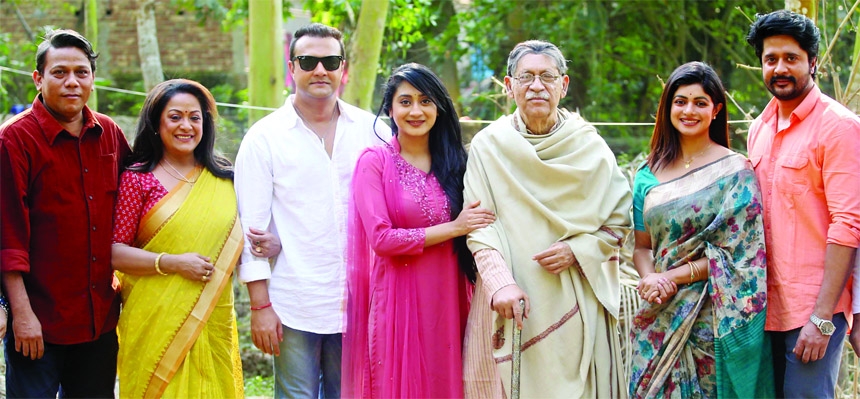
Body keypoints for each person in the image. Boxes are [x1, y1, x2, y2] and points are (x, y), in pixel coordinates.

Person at [461, 40, 632, 398]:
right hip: (511, 299)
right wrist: (499, 284)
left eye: (546, 77)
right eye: (526, 77)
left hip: (576, 299)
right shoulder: (488, 146)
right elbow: (480, 224)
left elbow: (618, 220)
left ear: (563, 85)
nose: (537, 86)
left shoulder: (590, 147)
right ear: (509, 87)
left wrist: (578, 249)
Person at [234, 23, 390, 398]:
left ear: (344, 69)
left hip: (361, 300)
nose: (320, 70)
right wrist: (260, 306)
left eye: (330, 61)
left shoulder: (374, 131)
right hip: (294, 302)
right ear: (292, 68)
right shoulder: (264, 138)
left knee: (351, 394)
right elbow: (250, 231)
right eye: (308, 61)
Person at [110, 79, 277, 397]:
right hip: (154, 321)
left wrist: (268, 245)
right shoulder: (138, 179)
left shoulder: (227, 178)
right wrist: (172, 263)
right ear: (157, 123)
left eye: (194, 117)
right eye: (175, 117)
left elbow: (238, 244)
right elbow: (115, 252)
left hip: (212, 315)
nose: (185, 125)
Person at [342, 63, 495, 398]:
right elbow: (381, 239)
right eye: (405, 101)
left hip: (450, 296)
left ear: (438, 108)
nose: (416, 110)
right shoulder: (374, 162)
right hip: (399, 299)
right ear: (390, 109)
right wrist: (453, 228)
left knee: (448, 381)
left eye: (425, 101)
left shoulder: (457, 165)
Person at [627, 61, 773, 398]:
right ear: (667, 108)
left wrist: (671, 278)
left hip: (714, 319)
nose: (689, 110)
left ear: (716, 109)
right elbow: (642, 248)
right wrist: (650, 278)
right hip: (660, 313)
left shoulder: (736, 171)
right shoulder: (647, 174)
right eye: (680, 101)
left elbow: (744, 256)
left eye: (700, 102)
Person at [0, 29, 129, 398]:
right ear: (38, 79)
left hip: (99, 321)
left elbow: (143, 201)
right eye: (59, 72)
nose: (72, 82)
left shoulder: (110, 134)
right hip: (39, 321)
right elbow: (7, 235)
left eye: (81, 72)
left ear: (92, 79)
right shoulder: (14, 140)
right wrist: (21, 315)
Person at [746, 10, 860, 397]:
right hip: (761, 310)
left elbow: (848, 225)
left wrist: (823, 319)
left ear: (813, 62)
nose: (780, 68)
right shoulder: (758, 129)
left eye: (791, 58)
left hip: (812, 312)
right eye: (770, 59)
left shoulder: (839, 127)